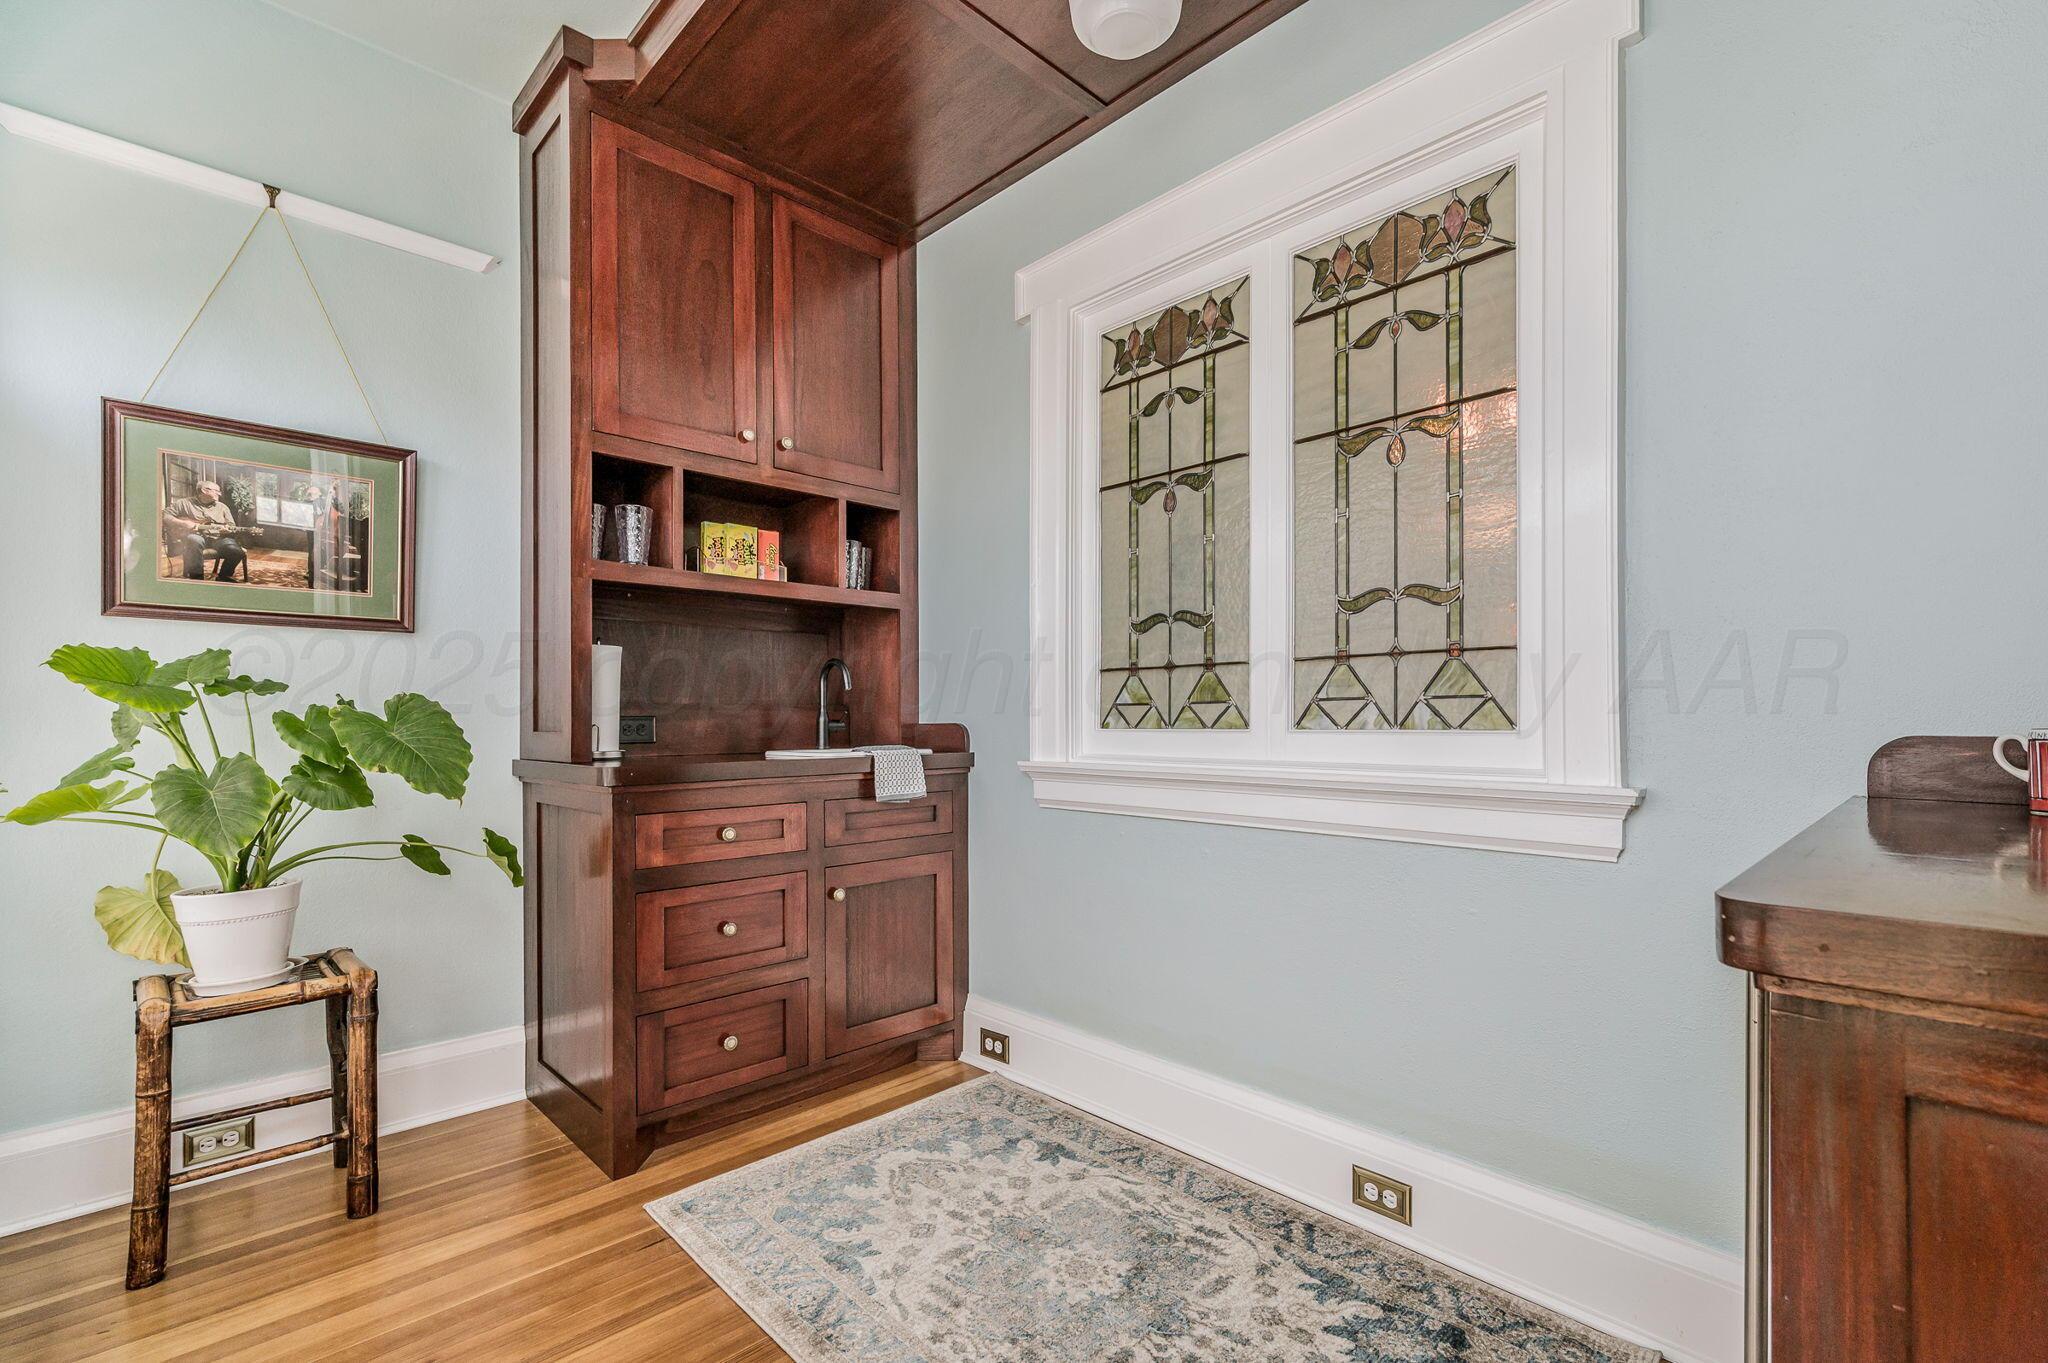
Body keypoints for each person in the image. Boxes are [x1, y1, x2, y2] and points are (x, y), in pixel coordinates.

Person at [163, 480, 248, 580]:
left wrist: (227, 530)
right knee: (195, 540)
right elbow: (165, 515)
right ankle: (197, 577)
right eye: (217, 491)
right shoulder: (184, 503)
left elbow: (231, 525)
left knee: (237, 552)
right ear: (204, 491)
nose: (219, 494)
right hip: (196, 536)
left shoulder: (222, 507)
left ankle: (223, 576)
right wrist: (183, 523)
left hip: (219, 538)